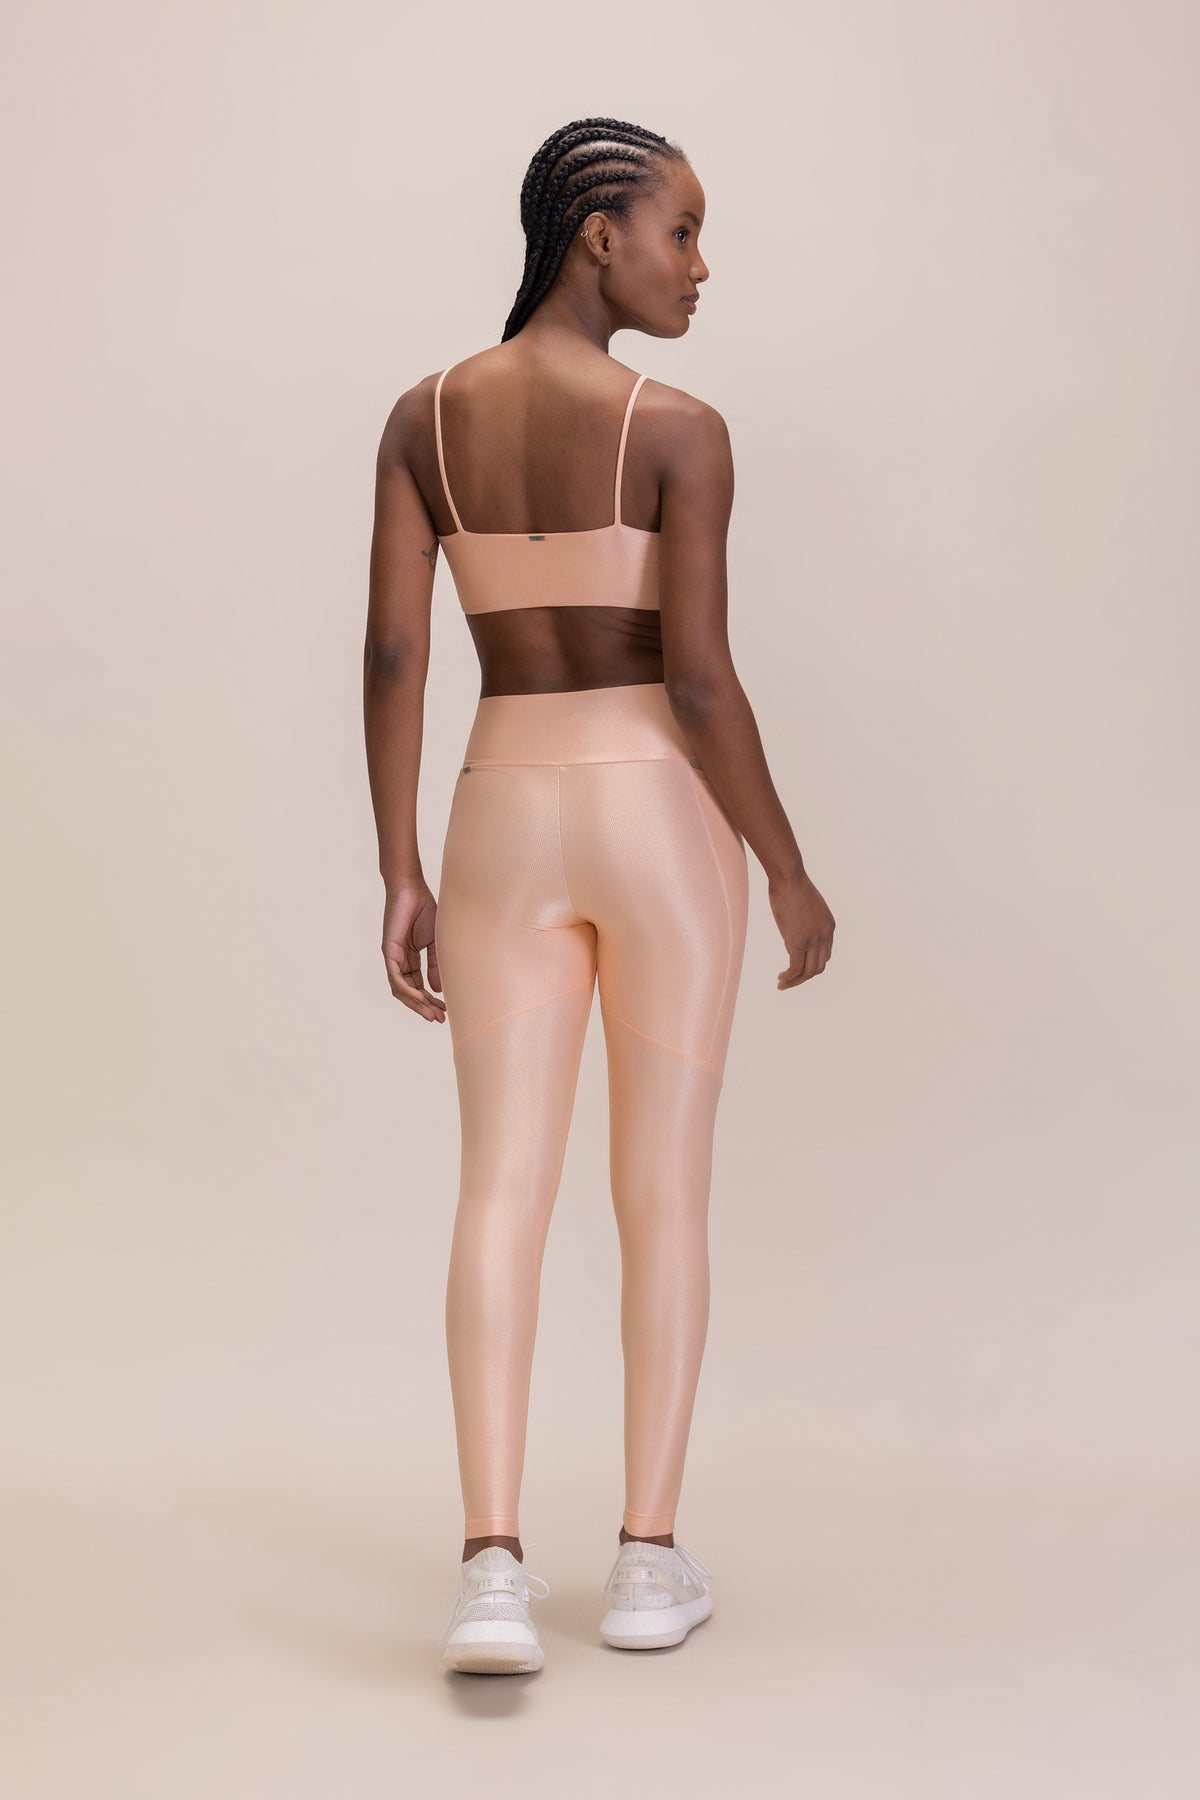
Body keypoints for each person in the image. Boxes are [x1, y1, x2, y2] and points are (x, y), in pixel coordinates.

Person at [363, 116, 835, 1675]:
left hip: (498, 805)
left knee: (498, 1187)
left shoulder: (425, 420)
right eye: (681, 231)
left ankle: (492, 1573)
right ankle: (644, 1560)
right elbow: (696, 685)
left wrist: (400, 866)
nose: (701, 266)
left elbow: (395, 654)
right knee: (661, 1192)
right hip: (655, 818)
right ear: (597, 237)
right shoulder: (679, 430)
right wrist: (785, 865)